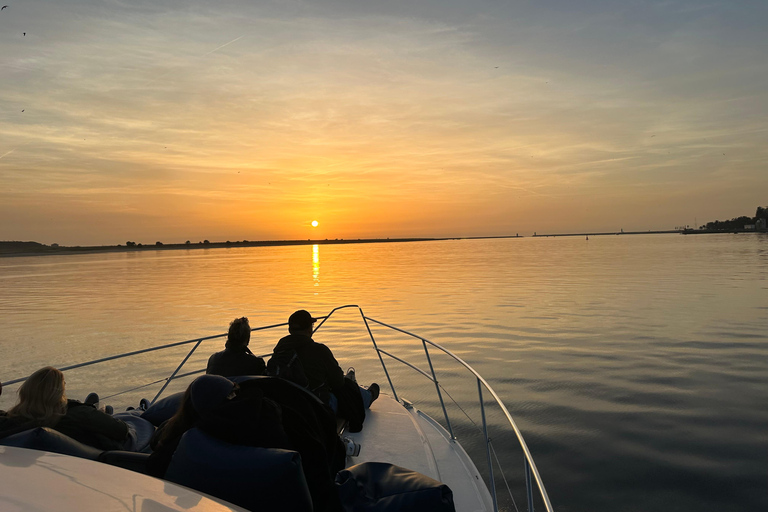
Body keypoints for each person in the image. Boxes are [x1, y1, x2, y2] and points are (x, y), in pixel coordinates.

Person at [270, 310, 379, 422]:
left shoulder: (279, 351)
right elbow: (338, 382)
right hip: (317, 406)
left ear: (289, 330)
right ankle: (368, 397)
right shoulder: (319, 350)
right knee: (347, 386)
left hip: (287, 405)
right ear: (309, 329)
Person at [0, 366, 129, 450]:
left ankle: (96, 411)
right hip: (122, 441)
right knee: (133, 416)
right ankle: (100, 411)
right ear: (58, 392)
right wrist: (94, 413)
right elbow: (122, 430)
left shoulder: (13, 422)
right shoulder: (77, 414)